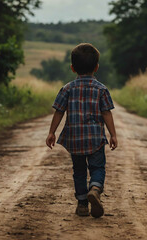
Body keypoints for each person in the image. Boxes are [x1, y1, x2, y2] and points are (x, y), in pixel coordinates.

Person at [45, 43, 118, 218]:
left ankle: (83, 204)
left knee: (78, 171)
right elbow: (106, 113)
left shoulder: (67, 88)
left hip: (75, 139)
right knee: (97, 167)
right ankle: (95, 188)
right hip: (95, 138)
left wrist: (51, 132)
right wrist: (113, 134)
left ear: (72, 68)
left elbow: (59, 111)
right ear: (97, 67)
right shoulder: (101, 89)